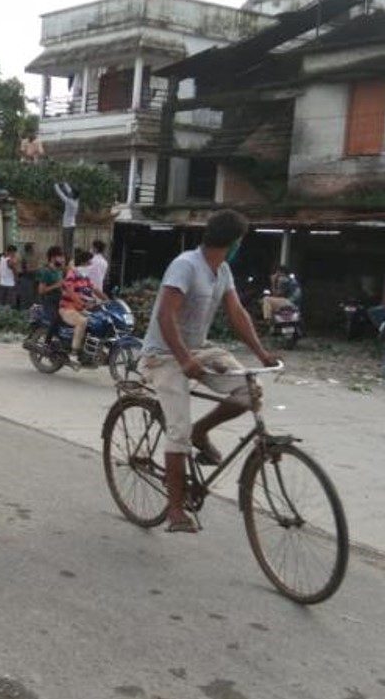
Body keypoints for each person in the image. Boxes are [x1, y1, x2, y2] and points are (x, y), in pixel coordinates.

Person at [139, 209, 279, 533]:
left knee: (249, 392)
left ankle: (201, 431)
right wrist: (183, 359)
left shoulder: (223, 270)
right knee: (178, 432)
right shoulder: (186, 265)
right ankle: (175, 509)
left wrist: (261, 353)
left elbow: (237, 313)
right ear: (232, 242)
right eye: (240, 242)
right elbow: (165, 316)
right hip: (163, 356)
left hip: (199, 350)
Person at [60, 249, 109, 369]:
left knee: (98, 321)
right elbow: (71, 293)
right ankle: (74, 353)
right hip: (67, 308)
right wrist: (81, 304)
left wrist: (108, 300)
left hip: (79, 308)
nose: (90, 265)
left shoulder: (84, 277)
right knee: (82, 321)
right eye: (89, 263)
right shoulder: (72, 275)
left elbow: (95, 289)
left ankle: (91, 349)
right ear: (82, 263)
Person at [36, 246, 67, 341]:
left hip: (59, 300)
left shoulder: (59, 270)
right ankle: (47, 342)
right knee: (55, 319)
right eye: (60, 257)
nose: (63, 259)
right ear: (53, 258)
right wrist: (56, 285)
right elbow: (41, 291)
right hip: (49, 301)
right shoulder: (46, 271)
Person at [17, 242, 37, 310]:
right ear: (30, 249)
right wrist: (38, 269)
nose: (34, 249)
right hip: (27, 279)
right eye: (33, 248)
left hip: (29, 279)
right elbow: (28, 270)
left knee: (29, 298)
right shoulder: (27, 257)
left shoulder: (28, 256)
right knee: (27, 299)